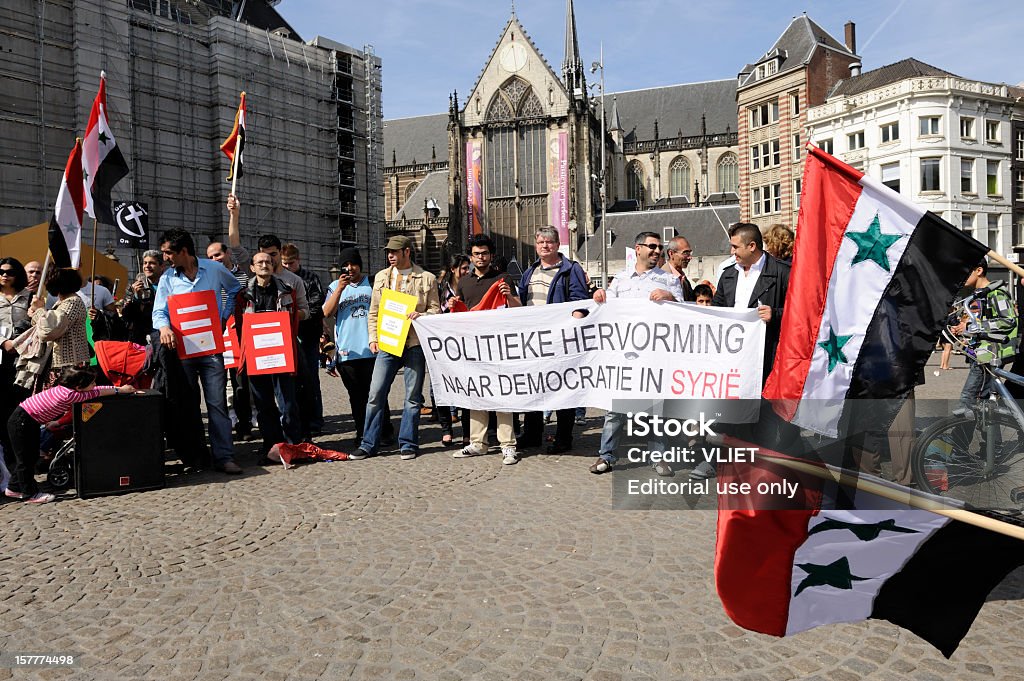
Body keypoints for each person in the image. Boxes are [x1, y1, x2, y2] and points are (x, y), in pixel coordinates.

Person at [589, 232, 683, 475]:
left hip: (656, 356)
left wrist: (670, 297)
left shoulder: (669, 280)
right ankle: (606, 456)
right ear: (638, 248)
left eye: (659, 248)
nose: (656, 251)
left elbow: (685, 313)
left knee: (657, 410)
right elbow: (608, 311)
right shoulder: (620, 280)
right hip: (626, 356)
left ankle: (659, 457)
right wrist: (600, 297)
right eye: (652, 246)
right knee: (615, 410)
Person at [152, 228, 243, 474]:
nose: (166, 258)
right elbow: (159, 311)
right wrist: (163, 328)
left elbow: (235, 289)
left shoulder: (213, 269)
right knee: (188, 405)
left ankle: (224, 456)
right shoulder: (167, 279)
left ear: (184, 251)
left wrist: (224, 316)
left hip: (211, 349)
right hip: (182, 352)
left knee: (217, 404)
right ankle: (196, 456)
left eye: (168, 253)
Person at [350, 235, 440, 461]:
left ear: (407, 252)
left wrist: (423, 315)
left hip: (414, 343)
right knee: (375, 394)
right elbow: (374, 311)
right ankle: (369, 443)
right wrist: (373, 338)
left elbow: (436, 311)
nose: (390, 255)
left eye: (395, 252)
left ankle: (408, 443)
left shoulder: (427, 278)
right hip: (388, 343)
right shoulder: (381, 277)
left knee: (412, 397)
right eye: (388, 252)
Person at [6, 365, 135, 503]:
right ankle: (29, 494)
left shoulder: (66, 389)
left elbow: (96, 390)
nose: (95, 384)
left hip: (26, 420)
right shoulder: (70, 395)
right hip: (22, 422)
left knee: (30, 456)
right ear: (79, 387)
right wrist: (118, 390)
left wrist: (118, 390)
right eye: (92, 382)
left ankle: (13, 488)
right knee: (25, 459)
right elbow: (96, 393)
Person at [516, 226, 589, 455]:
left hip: (560, 340)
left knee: (562, 389)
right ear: (536, 245)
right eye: (540, 242)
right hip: (533, 341)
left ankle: (563, 438)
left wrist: (567, 329)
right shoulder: (530, 272)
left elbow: (579, 301)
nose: (545, 246)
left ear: (557, 245)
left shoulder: (571, 270)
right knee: (534, 388)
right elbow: (521, 303)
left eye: (549, 242)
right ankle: (532, 434)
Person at [453, 234, 523, 465]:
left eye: (484, 253)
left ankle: (508, 445)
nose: (480, 257)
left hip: (498, 346)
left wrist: (507, 297)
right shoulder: (464, 282)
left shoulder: (502, 278)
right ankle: (478, 443)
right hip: (473, 347)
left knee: (502, 394)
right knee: (477, 393)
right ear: (471, 257)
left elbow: (517, 308)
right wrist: (454, 306)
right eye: (476, 254)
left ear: (491, 255)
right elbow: (459, 313)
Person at [321, 247, 394, 447]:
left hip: (373, 348)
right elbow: (326, 312)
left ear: (360, 264)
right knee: (357, 397)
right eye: (345, 265)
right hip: (347, 352)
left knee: (378, 393)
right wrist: (339, 289)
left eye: (353, 264)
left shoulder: (372, 284)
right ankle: (362, 432)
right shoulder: (335, 286)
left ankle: (385, 430)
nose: (350, 268)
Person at [243, 252, 303, 459]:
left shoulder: (287, 291)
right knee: (263, 404)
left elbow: (296, 317)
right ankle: (271, 446)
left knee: (287, 402)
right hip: (256, 355)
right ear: (252, 268)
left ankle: (293, 444)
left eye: (268, 261)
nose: (264, 265)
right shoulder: (243, 296)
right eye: (259, 262)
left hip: (281, 353)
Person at [953, 259, 1018, 411]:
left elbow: (1008, 321)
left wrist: (972, 326)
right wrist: (966, 328)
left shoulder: (996, 292)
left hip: (990, 355)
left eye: (966, 271)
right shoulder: (979, 295)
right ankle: (985, 434)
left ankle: (959, 435)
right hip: (981, 354)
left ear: (979, 271)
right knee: (983, 403)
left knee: (968, 400)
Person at [282, 243, 326, 439]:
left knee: (310, 378)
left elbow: (317, 306)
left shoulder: (310, 278)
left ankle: (315, 419)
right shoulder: (279, 278)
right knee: (289, 380)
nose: (288, 267)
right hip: (286, 334)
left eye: (291, 263)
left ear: (298, 260)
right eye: (284, 263)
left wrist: (297, 315)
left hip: (307, 333)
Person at [220, 193, 254, 440]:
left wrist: (234, 215)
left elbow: (234, 241)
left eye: (218, 255)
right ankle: (227, 420)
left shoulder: (242, 272)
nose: (214, 260)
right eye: (209, 257)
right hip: (217, 335)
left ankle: (246, 420)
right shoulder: (207, 276)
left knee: (242, 381)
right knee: (223, 383)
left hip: (240, 333)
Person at [0, 257, 32, 473]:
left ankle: (22, 456)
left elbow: (34, 323)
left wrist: (17, 341)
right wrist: (4, 342)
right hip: (1, 355)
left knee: (21, 404)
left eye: (9, 272)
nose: (4, 275)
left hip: (23, 355)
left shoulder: (29, 297)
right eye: (1, 271)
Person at [435, 254, 470, 446]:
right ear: (453, 270)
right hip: (443, 343)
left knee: (466, 387)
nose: (467, 272)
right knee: (440, 387)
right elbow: (434, 311)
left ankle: (466, 431)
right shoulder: (441, 289)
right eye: (463, 268)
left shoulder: (469, 286)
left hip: (464, 343)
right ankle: (446, 430)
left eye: (468, 268)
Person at [119, 250, 164, 345]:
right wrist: (136, 297)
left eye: (152, 263)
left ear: (161, 266)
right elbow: (126, 316)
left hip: (164, 334)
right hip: (141, 339)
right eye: (145, 263)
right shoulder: (134, 287)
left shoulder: (169, 285)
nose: (147, 266)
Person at [663, 235, 697, 301]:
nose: (689, 257)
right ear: (671, 253)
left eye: (690, 253)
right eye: (685, 253)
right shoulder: (661, 278)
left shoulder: (683, 279)